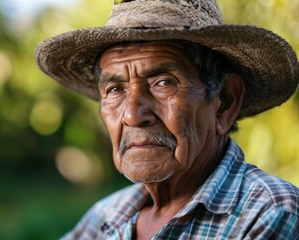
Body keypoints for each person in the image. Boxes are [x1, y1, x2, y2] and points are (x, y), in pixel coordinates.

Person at [35, 0, 299, 239]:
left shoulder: (270, 211)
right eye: (115, 89)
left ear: (225, 102)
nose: (133, 115)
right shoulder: (106, 215)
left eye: (164, 83)